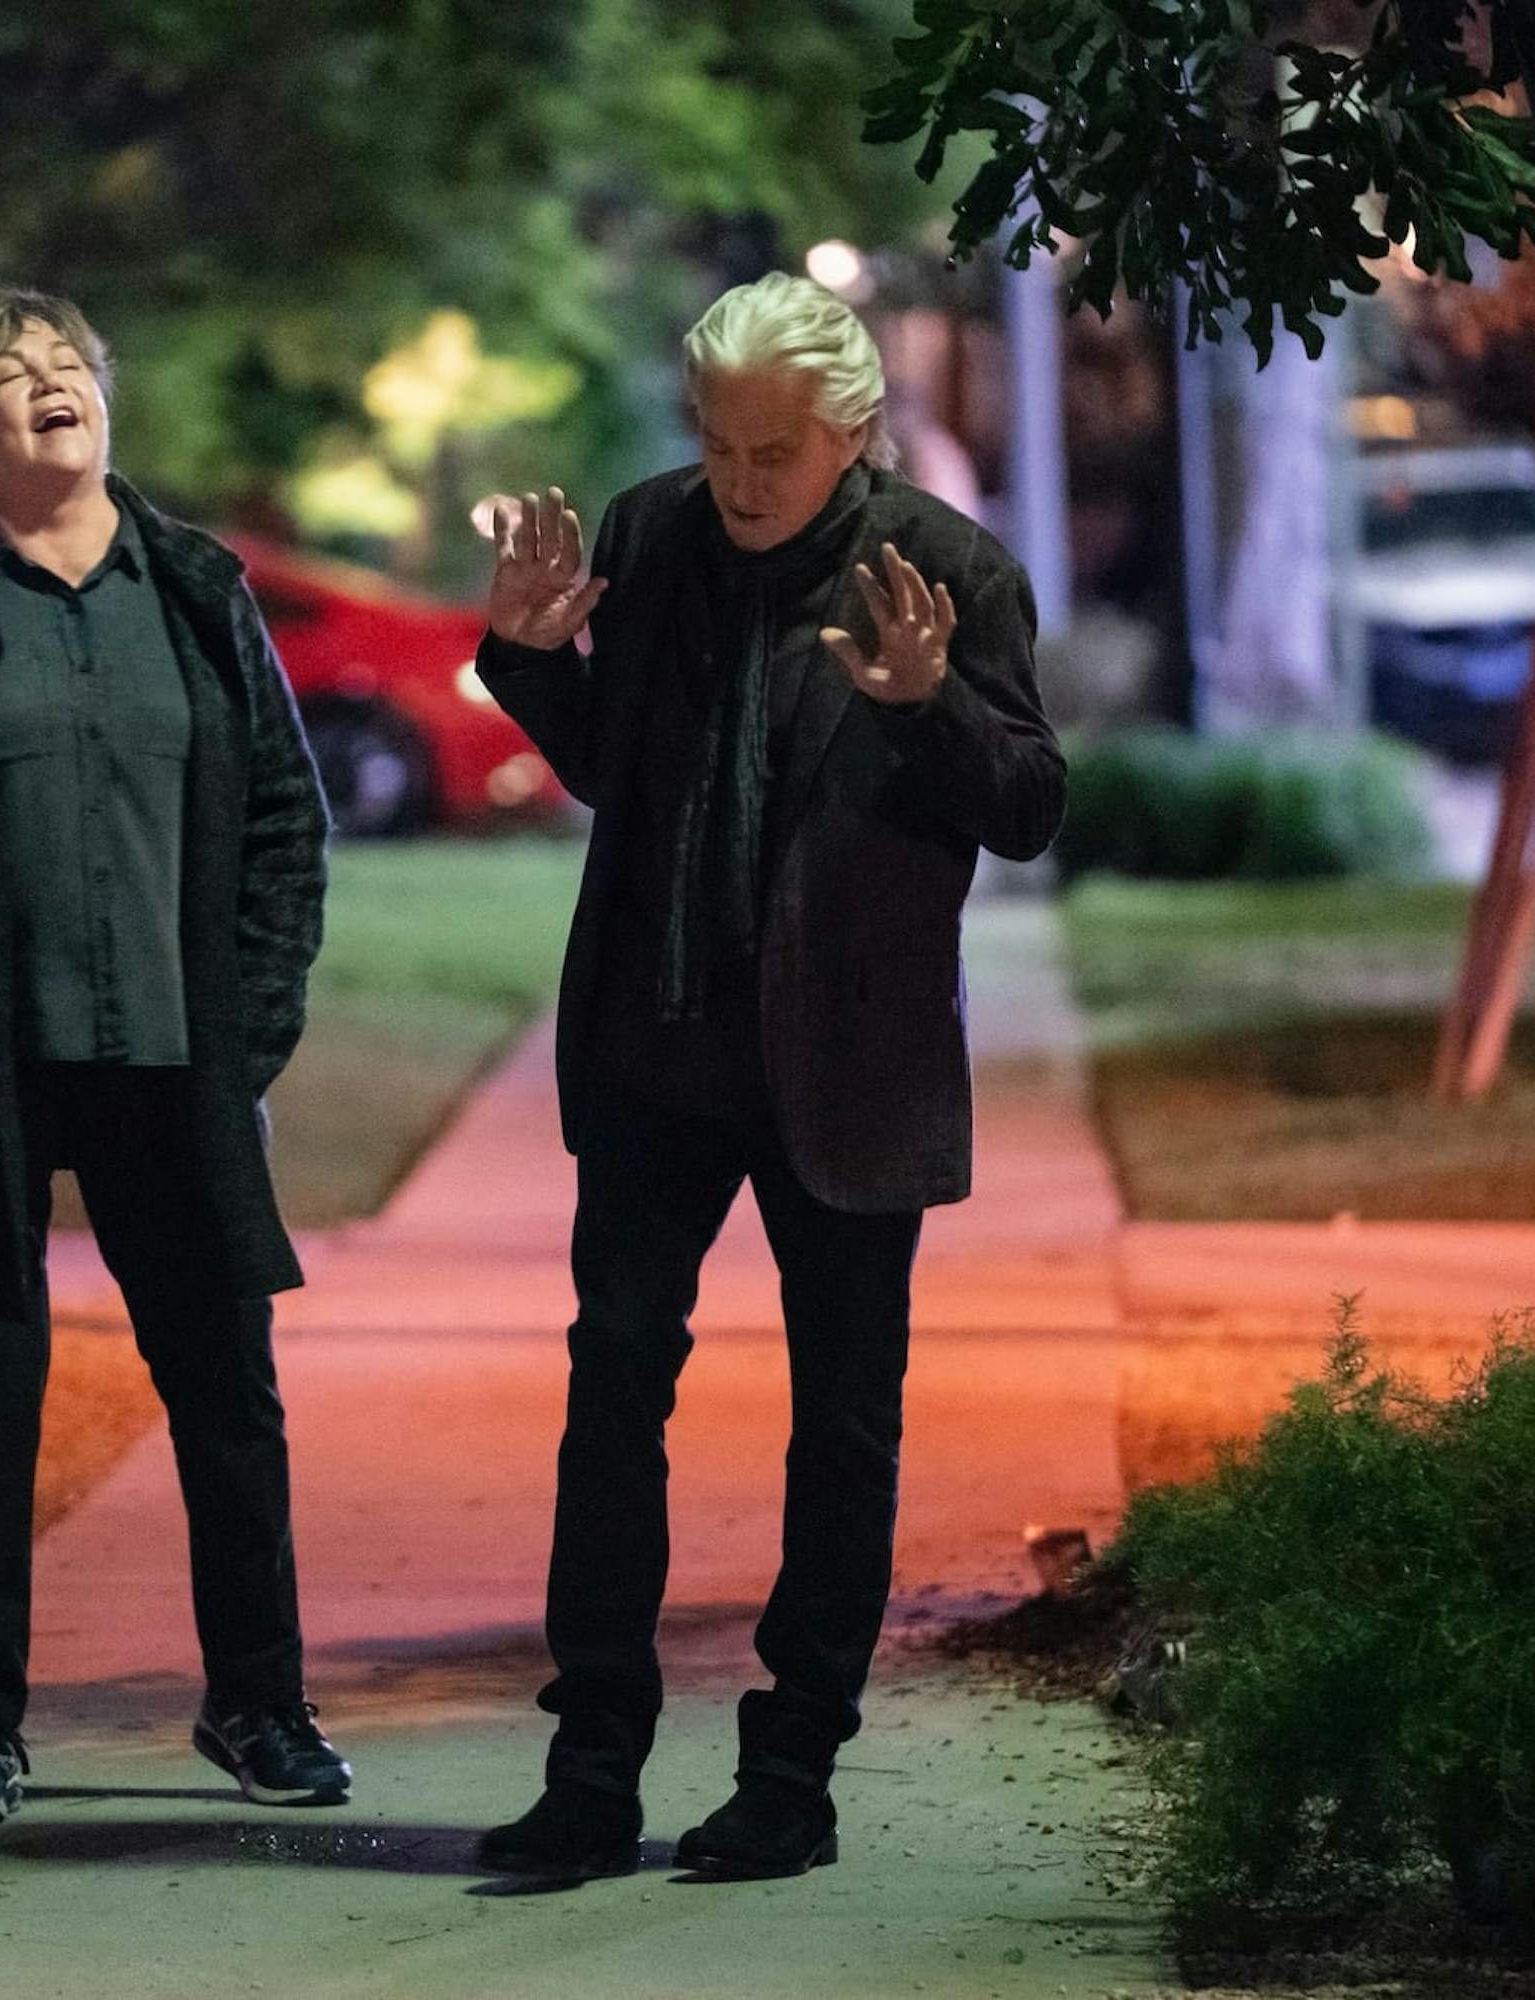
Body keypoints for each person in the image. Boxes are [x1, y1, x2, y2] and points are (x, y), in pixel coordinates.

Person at [470, 273, 1065, 1881]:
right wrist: (526, 660)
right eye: (718, 445)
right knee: (612, 1393)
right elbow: (609, 764)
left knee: (841, 1425)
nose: (738, 481)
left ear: (852, 433)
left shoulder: (945, 572)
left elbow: (1023, 804)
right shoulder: (651, 533)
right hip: (658, 1047)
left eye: (773, 452)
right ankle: (590, 1769)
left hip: (846, 1062)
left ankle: (789, 1777)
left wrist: (930, 705)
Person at [0, 280, 348, 1829]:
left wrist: (252, 1018)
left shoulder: (196, 587)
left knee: (225, 1387)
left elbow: (286, 826)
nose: (50, 385)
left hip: (177, 1053)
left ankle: (260, 1708)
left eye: (66, 365)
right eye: (8, 376)